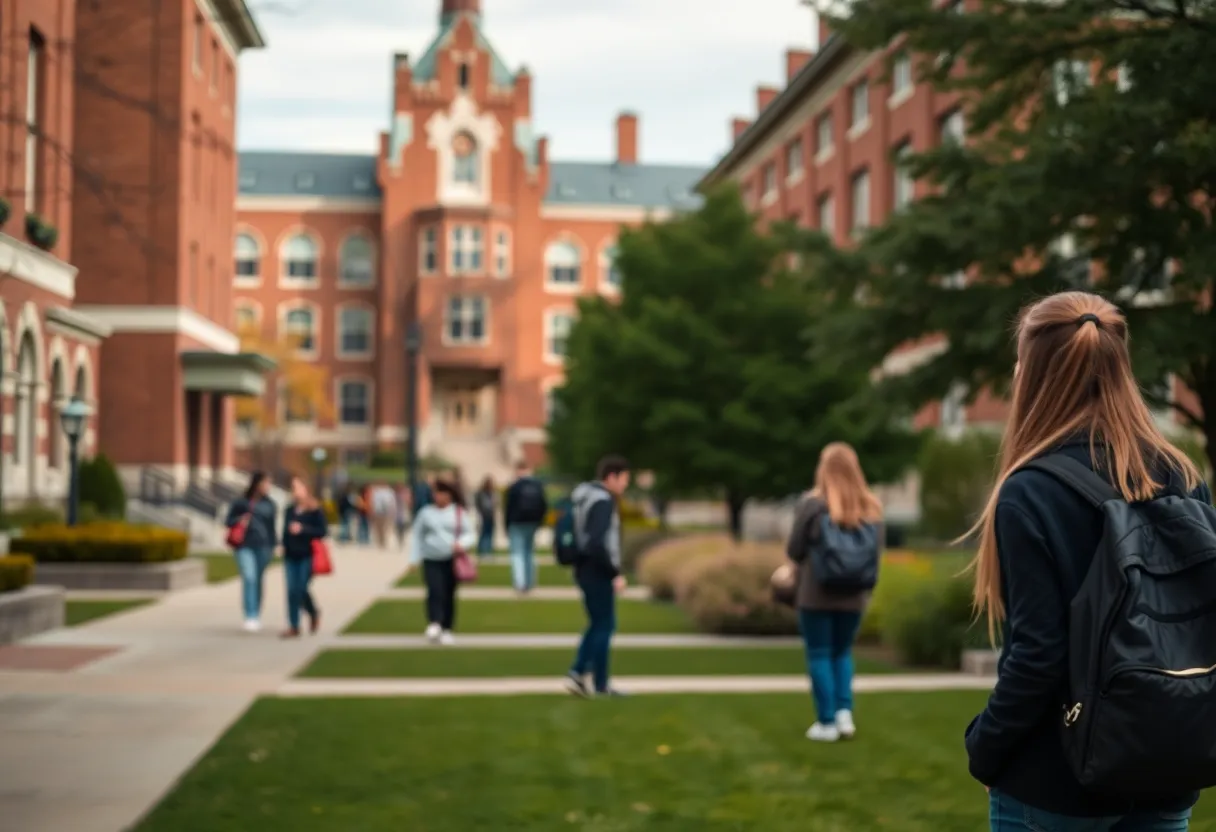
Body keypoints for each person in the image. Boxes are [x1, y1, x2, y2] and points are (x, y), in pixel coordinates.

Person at [964, 292, 1211, 830]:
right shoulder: (1182, 476)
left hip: (1054, 784)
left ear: (1029, 374)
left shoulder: (1031, 490)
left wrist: (985, 747)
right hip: (1167, 765)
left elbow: (1037, 655)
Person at [784, 442, 883, 742]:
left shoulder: (812, 505)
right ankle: (844, 714)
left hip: (817, 593)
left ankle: (825, 722)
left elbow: (795, 549)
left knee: (819, 653)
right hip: (854, 595)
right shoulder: (870, 507)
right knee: (842, 652)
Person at [565, 455, 631, 698]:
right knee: (605, 625)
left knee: (597, 624)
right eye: (624, 480)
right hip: (597, 571)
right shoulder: (602, 502)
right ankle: (598, 682)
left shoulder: (585, 497)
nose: (625, 485)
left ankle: (579, 673)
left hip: (584, 569)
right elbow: (596, 542)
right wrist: (614, 573)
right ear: (611, 477)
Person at [405, 478, 476, 645]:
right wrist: (414, 559)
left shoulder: (458, 513)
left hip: (451, 559)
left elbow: (471, 534)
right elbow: (418, 536)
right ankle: (435, 621)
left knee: (448, 593)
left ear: (449, 495)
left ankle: (447, 627)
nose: (438, 497)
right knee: (435, 590)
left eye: (441, 493)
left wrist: (462, 544)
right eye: (436, 493)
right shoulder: (426, 513)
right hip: (431, 558)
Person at [224, 471, 278, 633]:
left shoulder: (270, 504)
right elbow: (228, 520)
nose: (268, 486)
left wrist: (274, 546)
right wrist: (240, 520)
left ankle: (257, 611)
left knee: (258, 580)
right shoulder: (241, 503)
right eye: (266, 483)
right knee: (249, 577)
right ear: (257, 484)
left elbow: (271, 528)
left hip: (263, 547)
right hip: (244, 546)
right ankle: (250, 615)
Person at [280, 474, 329, 639]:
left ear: (305, 489)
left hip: (307, 554)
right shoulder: (289, 510)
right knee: (291, 591)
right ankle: (294, 625)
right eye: (293, 487)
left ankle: (313, 611)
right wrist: (283, 545)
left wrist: (303, 529)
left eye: (297, 487)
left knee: (301, 588)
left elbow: (322, 531)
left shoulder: (314, 510)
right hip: (290, 555)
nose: (295, 491)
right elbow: (285, 531)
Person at [504, 461, 549, 593]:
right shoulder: (537, 485)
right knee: (529, 552)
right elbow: (543, 504)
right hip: (533, 522)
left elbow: (508, 507)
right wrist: (540, 521)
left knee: (517, 553)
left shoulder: (515, 487)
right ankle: (530, 581)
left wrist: (506, 524)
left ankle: (520, 583)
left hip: (517, 522)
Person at [474, 477, 497, 557]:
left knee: (489, 534)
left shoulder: (492, 494)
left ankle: (487, 550)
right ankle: (482, 550)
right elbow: (480, 505)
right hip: (484, 516)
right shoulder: (481, 494)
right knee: (484, 533)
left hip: (490, 516)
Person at [370, 481, 397, 548]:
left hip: (386, 512)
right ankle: (380, 540)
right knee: (378, 528)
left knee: (385, 528)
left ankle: (383, 541)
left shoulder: (389, 492)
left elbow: (392, 502)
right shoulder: (376, 491)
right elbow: (373, 502)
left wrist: (392, 511)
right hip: (378, 511)